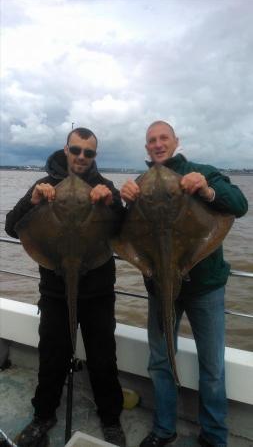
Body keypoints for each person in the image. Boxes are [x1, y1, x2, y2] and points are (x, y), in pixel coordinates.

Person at [120, 121, 248, 447]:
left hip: (205, 288)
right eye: (152, 140)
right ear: (146, 148)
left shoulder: (201, 172)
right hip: (160, 285)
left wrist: (207, 190)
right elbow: (121, 233)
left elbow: (238, 204)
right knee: (161, 360)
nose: (158, 144)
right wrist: (122, 200)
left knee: (213, 366)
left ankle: (215, 436)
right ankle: (165, 429)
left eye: (164, 138)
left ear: (176, 141)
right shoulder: (138, 184)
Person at [5, 127, 126, 447]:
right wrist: (32, 202)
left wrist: (112, 201)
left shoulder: (104, 186)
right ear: (66, 150)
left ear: (94, 156)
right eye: (77, 150)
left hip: (98, 291)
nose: (82, 157)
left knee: (103, 357)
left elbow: (124, 229)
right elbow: (11, 227)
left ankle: (111, 419)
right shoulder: (44, 186)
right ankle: (43, 415)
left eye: (89, 152)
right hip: (55, 290)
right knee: (52, 355)